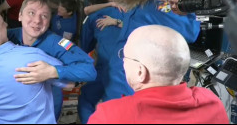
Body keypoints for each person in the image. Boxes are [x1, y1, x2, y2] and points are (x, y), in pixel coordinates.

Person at [0, 0, 96, 120]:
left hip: (45, 110)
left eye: (44, 16)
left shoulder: (57, 44)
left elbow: (89, 70)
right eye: (31, 13)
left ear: (49, 21)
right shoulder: (5, 37)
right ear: (20, 16)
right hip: (12, 107)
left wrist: (53, 71)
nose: (37, 20)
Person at [88, 25, 229, 124]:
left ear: (140, 71)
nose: (123, 63)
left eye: (124, 57)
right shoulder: (212, 102)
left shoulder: (109, 116)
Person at [78, 0, 124, 124]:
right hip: (134, 67)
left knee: (86, 98)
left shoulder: (92, 18)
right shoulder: (126, 13)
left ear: (92, 2)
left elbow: (85, 47)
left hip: (109, 67)